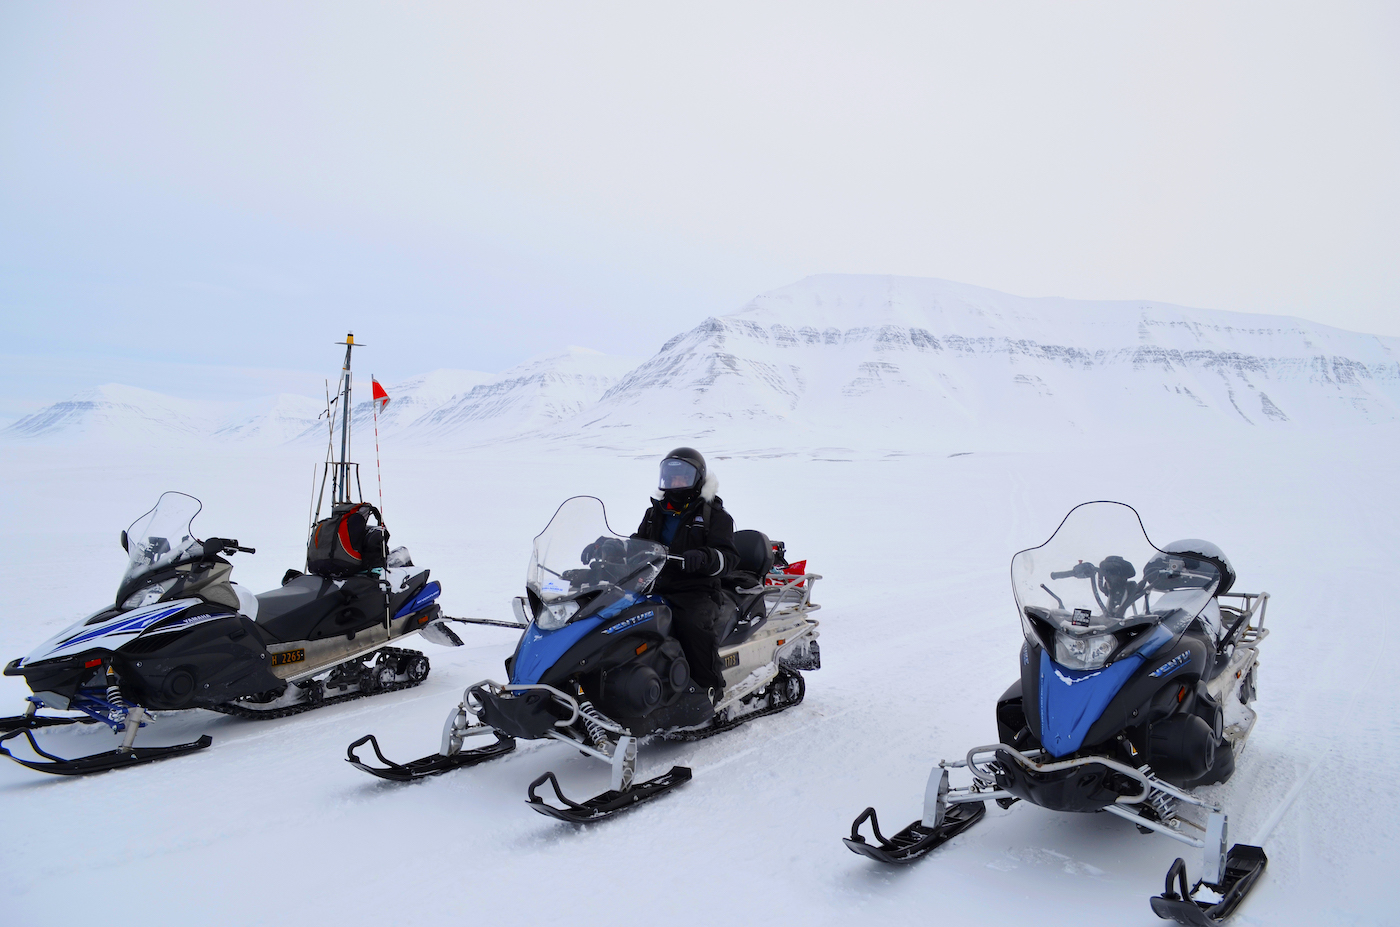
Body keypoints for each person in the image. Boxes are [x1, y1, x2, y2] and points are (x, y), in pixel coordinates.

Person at [633, 447, 738, 702]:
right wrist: (610, 548)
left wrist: (706, 557)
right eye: (670, 476)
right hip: (656, 585)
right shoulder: (655, 513)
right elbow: (639, 544)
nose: (675, 482)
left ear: (697, 479)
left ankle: (709, 688)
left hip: (697, 590)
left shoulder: (714, 515)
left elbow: (729, 557)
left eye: (682, 477)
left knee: (692, 625)